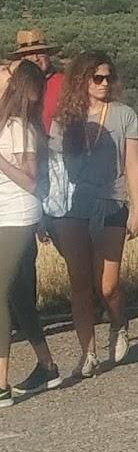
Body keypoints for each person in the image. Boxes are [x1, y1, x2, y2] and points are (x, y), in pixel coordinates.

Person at [43, 51, 138, 377]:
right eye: (96, 77)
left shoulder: (124, 114)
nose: (103, 83)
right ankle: (88, 353)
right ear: (82, 80)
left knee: (108, 286)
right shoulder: (65, 118)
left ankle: (119, 322)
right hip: (73, 207)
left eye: (108, 77)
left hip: (111, 203)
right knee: (80, 284)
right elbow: (56, 169)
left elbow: (132, 164)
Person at [0, 62, 64, 402]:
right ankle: (47, 366)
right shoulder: (8, 125)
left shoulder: (20, 128)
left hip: (16, 215)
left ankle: (1, 385)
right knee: (20, 297)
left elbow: (30, 179)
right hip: (5, 215)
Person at [8, 30, 65, 129]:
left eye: (40, 53)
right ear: (22, 59)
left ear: (48, 55)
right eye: (29, 54)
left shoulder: (64, 82)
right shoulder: (13, 86)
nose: (35, 58)